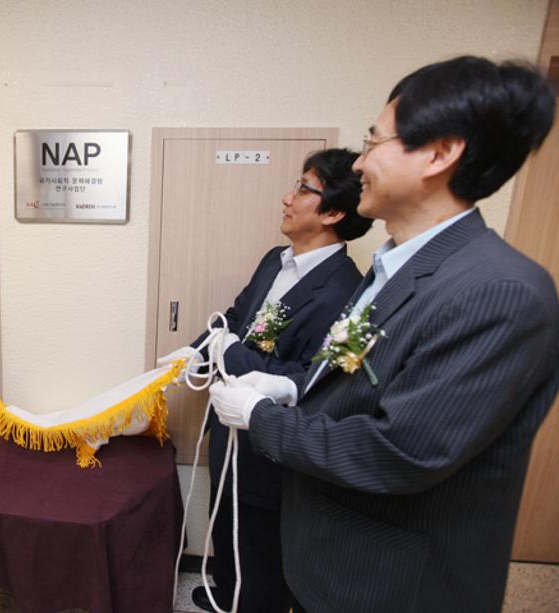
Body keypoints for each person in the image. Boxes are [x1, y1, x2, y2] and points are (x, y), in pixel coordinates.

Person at [209, 56, 559, 613]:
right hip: (326, 557)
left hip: (387, 582)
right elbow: (360, 387)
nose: (362, 161)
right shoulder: (396, 267)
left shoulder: (499, 290)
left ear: (440, 153)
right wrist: (296, 389)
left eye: (374, 142)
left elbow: (400, 451)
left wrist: (263, 417)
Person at [159, 149, 372, 612]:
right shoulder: (276, 260)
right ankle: (226, 590)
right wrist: (195, 354)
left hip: (271, 448)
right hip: (227, 431)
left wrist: (230, 355)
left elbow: (315, 382)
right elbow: (236, 317)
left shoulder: (344, 290)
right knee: (227, 523)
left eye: (302, 188)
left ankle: (251, 602)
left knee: (261, 542)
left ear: (333, 212)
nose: (287, 197)